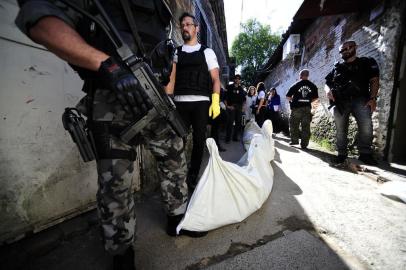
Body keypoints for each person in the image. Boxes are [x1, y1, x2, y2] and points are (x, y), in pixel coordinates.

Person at [15, 2, 206, 270]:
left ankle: (177, 218)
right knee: (115, 182)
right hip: (112, 95)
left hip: (153, 94)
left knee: (175, 156)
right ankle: (122, 251)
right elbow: (40, 19)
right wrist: (107, 66)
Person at [165, 12, 221, 190]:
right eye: (182, 25)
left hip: (201, 103)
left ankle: (192, 176)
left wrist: (215, 100)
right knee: (176, 141)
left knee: (198, 141)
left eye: (189, 24)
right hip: (180, 103)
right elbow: (172, 79)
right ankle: (178, 175)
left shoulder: (207, 52)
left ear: (196, 28)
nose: (185, 28)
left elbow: (216, 79)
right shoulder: (176, 52)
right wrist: (168, 101)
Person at [325, 40, 379, 165]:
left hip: (361, 100)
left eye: (349, 47)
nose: (346, 50)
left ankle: (365, 154)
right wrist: (328, 91)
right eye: (342, 50)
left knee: (366, 127)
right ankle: (341, 155)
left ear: (355, 47)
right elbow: (327, 83)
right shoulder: (337, 67)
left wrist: (373, 98)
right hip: (340, 102)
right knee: (340, 129)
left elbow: (374, 80)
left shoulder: (367, 62)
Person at [286, 69, 319, 149]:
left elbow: (288, 96)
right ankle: (304, 144)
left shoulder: (296, 85)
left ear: (300, 75)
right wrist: (311, 106)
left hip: (296, 109)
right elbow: (315, 99)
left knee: (294, 125)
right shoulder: (313, 86)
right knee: (306, 127)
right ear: (308, 75)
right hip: (307, 108)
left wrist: (292, 101)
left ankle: (294, 141)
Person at [224, 74, 246, 142]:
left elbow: (244, 99)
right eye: (236, 78)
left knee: (238, 123)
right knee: (230, 123)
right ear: (234, 79)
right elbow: (225, 97)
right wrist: (227, 106)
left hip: (239, 107)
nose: (237, 80)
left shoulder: (241, 89)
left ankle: (235, 137)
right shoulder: (229, 87)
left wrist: (243, 107)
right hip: (231, 107)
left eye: (239, 79)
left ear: (240, 80)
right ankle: (228, 138)